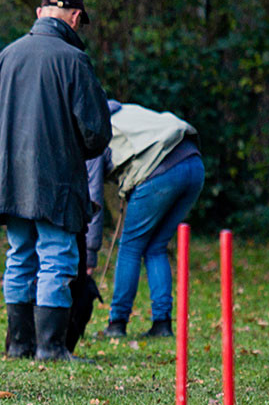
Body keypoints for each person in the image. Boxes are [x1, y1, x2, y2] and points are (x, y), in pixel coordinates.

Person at [0, 0, 112, 362]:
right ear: (74, 18)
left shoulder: (5, 57)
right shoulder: (73, 60)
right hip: (56, 181)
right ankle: (51, 348)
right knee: (57, 256)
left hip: (9, 180)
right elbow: (96, 131)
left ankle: (18, 345)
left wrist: (6, 159)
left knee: (19, 254)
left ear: (39, 15)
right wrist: (74, 154)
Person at [85, 100, 204, 338]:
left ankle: (117, 323)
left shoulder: (91, 133)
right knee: (156, 246)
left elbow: (93, 196)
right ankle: (162, 324)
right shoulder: (126, 112)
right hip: (194, 163)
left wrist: (89, 254)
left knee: (130, 248)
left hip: (160, 173)